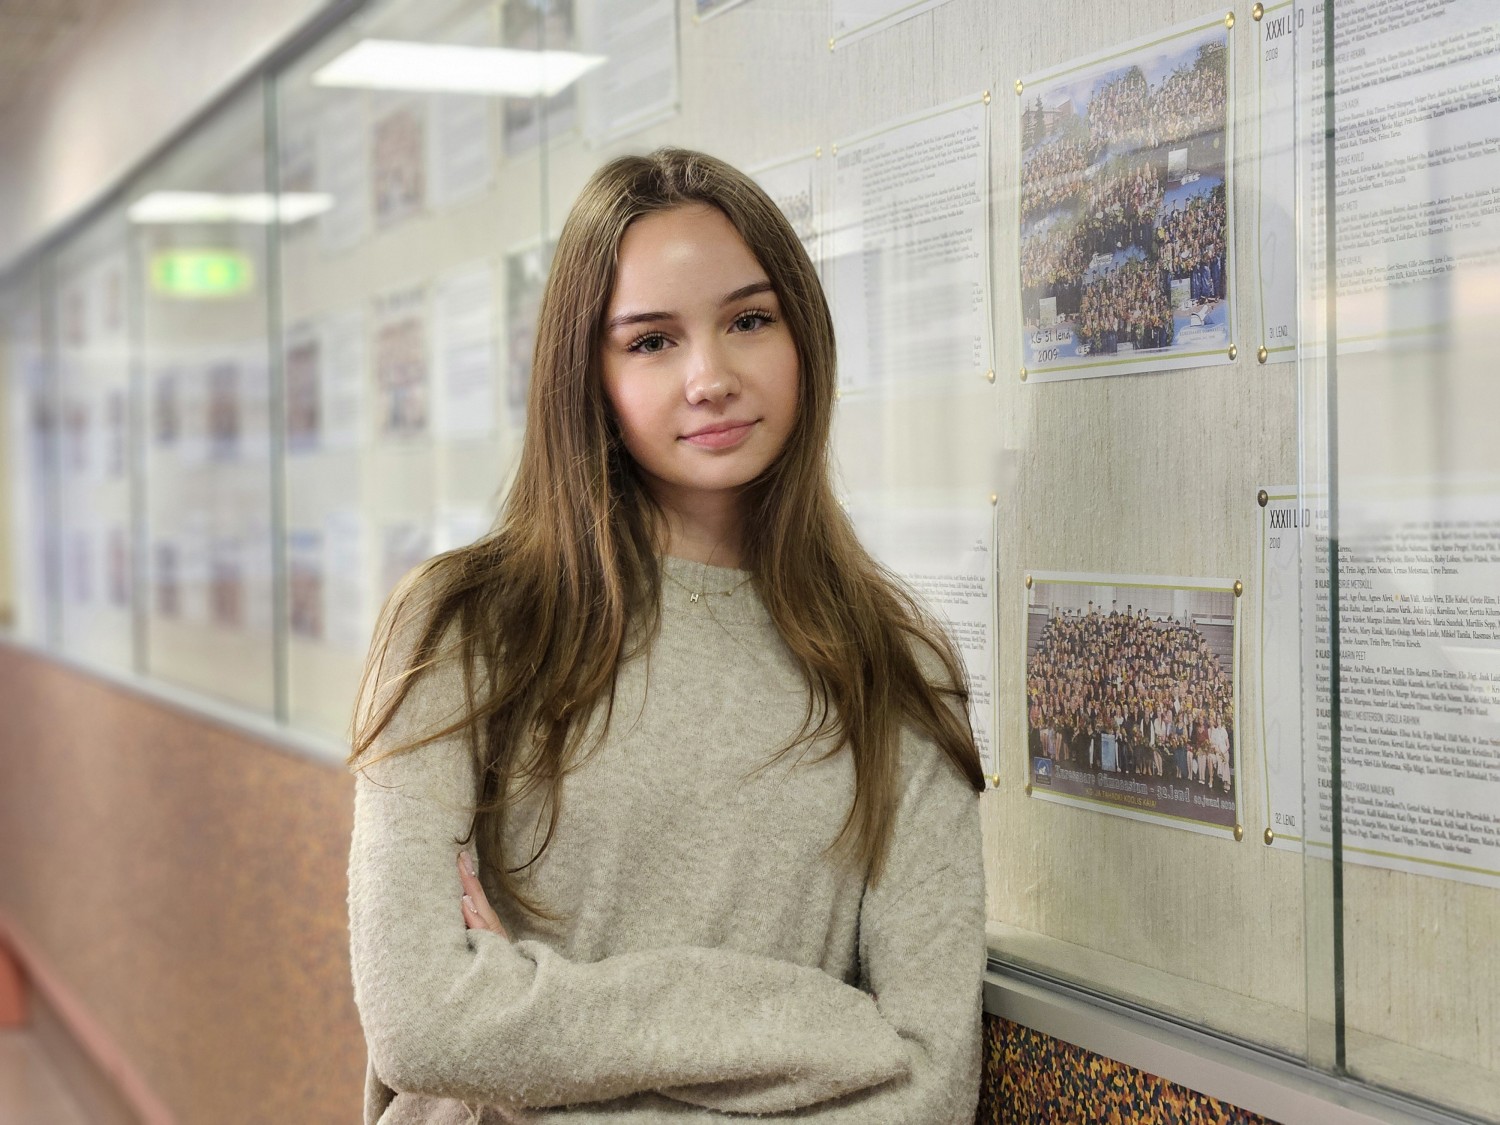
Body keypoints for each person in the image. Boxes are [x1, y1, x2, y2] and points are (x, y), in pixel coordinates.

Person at [346, 148, 987, 1125]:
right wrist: (823, 1026)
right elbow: (423, 1024)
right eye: (651, 342)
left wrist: (530, 1019)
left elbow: (929, 1085)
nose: (711, 376)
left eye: (749, 321)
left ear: (803, 335)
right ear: (588, 374)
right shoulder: (464, 625)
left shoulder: (897, 662)